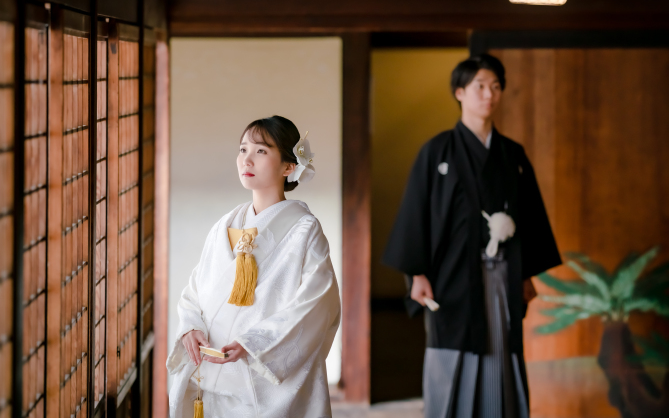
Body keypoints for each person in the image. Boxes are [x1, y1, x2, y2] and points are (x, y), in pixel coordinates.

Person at [382, 54, 562, 418]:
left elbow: (528, 217)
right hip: (451, 277)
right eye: (480, 86)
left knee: (502, 348)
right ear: (460, 92)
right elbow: (417, 214)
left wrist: (525, 274)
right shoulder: (437, 151)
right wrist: (417, 274)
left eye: (495, 87)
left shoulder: (512, 154)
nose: (489, 94)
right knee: (453, 347)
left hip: (503, 274)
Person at [167, 116, 341, 418]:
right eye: (242, 149)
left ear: (289, 166)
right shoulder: (226, 225)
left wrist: (254, 344)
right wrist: (191, 327)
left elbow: (317, 303)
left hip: (260, 379)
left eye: (260, 151)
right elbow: (195, 290)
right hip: (213, 374)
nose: (246, 158)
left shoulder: (305, 230)